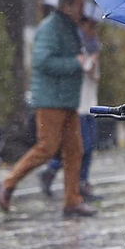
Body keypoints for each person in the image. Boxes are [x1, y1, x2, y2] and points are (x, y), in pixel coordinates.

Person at [0, 0, 96, 218]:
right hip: (51, 100)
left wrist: (82, 62)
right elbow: (42, 61)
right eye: (79, 5)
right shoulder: (51, 28)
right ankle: (8, 182)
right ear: (67, 6)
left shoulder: (69, 26)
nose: (83, 10)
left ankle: (72, 201)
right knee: (47, 148)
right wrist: (75, 63)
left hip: (67, 100)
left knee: (74, 150)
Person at [41, 13, 101, 200]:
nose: (91, 29)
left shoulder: (94, 46)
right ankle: (57, 172)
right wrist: (86, 64)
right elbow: (74, 70)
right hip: (79, 104)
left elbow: (96, 77)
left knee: (86, 146)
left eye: (93, 25)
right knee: (79, 146)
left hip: (91, 103)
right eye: (88, 25)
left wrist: (93, 66)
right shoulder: (76, 46)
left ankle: (76, 180)